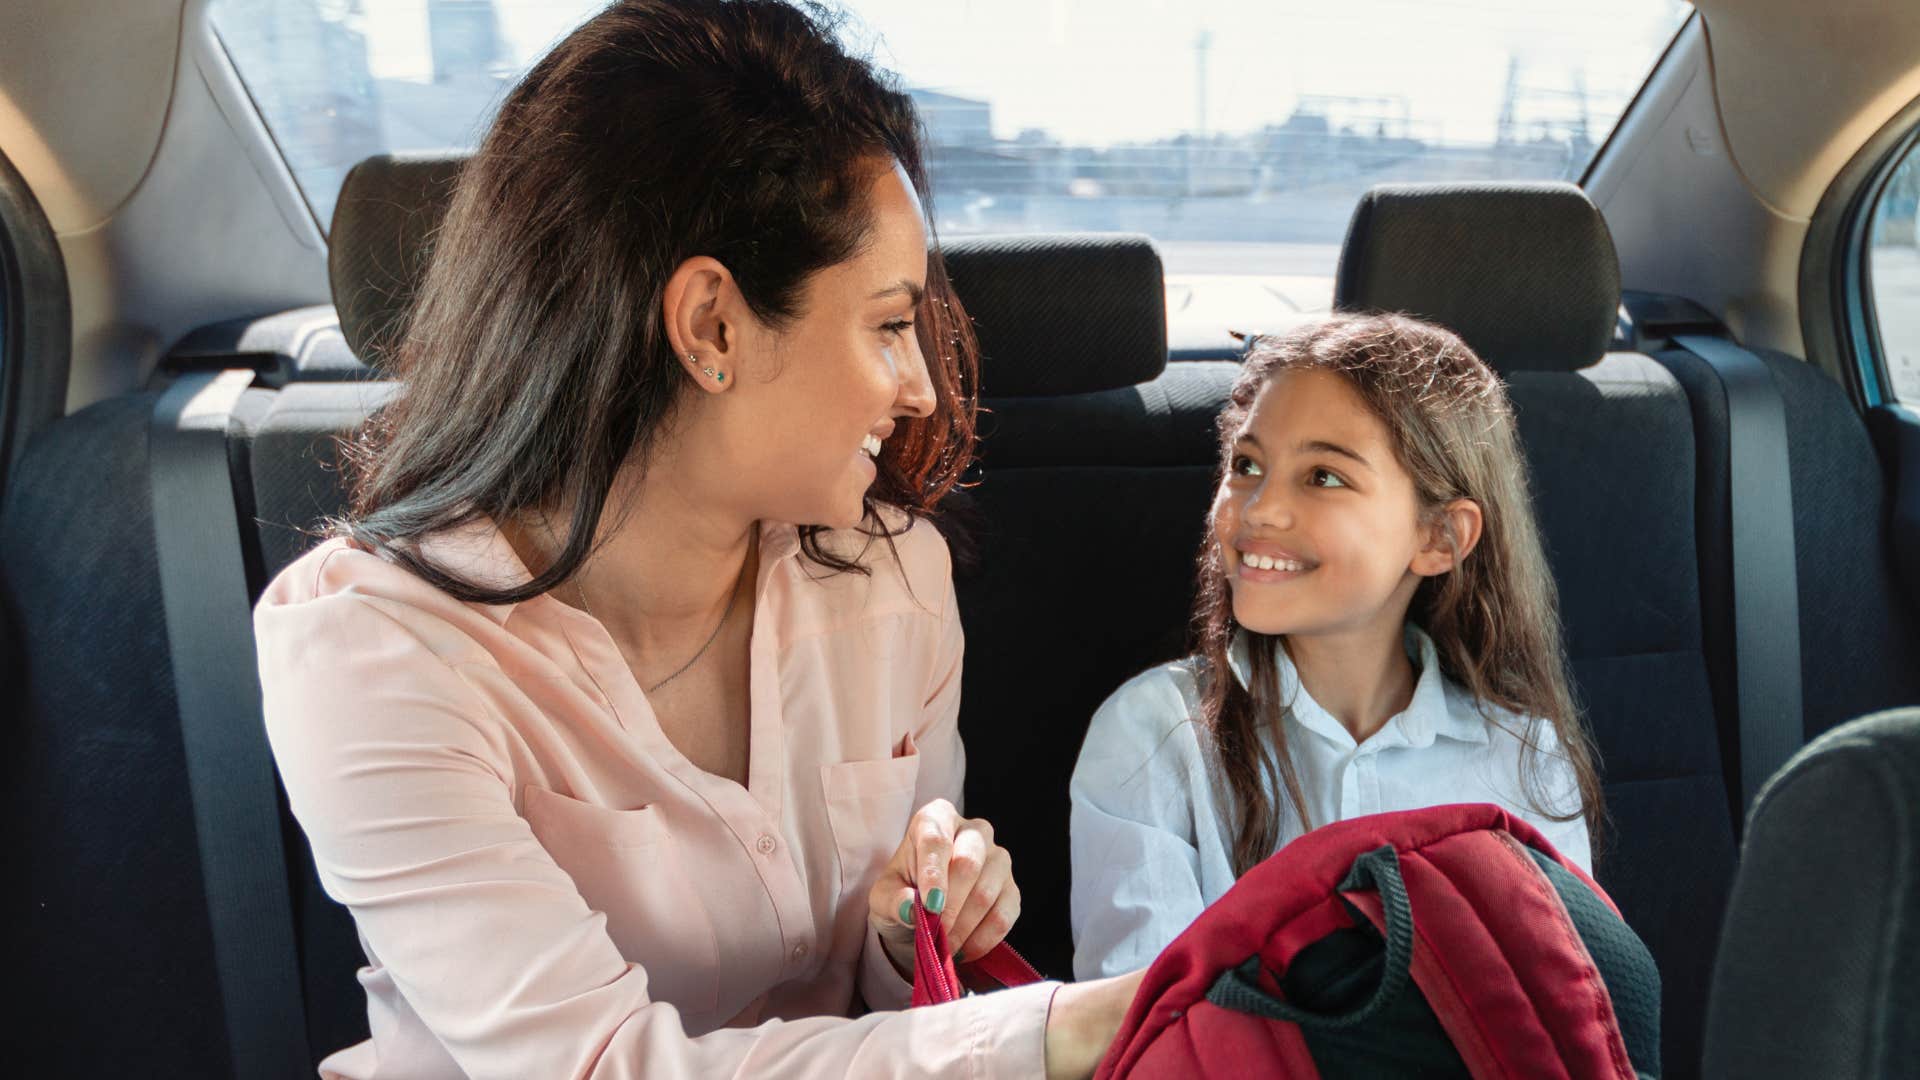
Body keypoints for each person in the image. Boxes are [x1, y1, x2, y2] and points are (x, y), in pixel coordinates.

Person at [254, 2, 1142, 1076]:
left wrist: (906, 935)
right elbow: (594, 1065)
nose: (917, 389)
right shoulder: (374, 654)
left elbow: (889, 1004)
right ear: (712, 326)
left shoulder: (898, 580)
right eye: (889, 324)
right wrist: (1058, 1030)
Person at [1069, 314, 1604, 980]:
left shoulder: (1523, 755)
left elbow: (1566, 1006)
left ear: (1439, 537)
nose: (1259, 508)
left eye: (1323, 477)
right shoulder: (1155, 734)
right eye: (1247, 465)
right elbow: (1142, 1024)